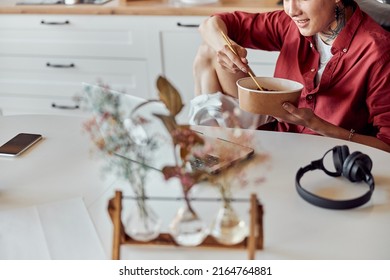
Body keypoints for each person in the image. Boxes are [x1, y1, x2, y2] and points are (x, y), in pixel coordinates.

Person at [189, 0, 390, 152]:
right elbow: (211, 24)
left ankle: (217, 159)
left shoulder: (379, 52)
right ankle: (213, 159)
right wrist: (226, 49)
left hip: (328, 153)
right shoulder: (289, 24)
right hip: (277, 133)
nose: (291, 10)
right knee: (208, 50)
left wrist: (318, 125)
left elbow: (386, 144)